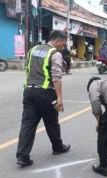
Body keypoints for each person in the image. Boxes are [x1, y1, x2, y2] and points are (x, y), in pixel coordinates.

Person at [16, 30, 71, 167]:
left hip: (28, 91)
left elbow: (28, 69)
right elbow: (56, 77)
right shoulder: (55, 54)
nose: (63, 47)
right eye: (63, 44)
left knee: (28, 123)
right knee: (52, 121)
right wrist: (59, 97)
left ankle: (22, 156)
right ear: (57, 41)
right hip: (45, 92)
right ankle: (58, 147)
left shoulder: (32, 49)